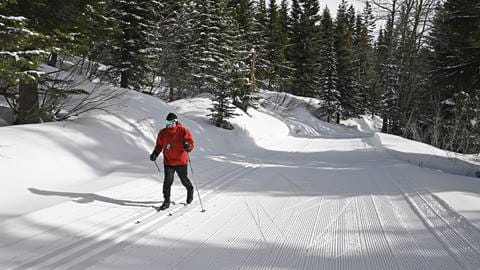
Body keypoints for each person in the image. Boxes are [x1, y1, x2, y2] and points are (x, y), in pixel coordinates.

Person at [150, 112, 195, 210]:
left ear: (176, 122)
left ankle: (190, 189)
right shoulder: (163, 132)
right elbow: (159, 146)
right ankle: (166, 201)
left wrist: (188, 146)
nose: (169, 124)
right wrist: (155, 154)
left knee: (184, 180)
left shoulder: (183, 131)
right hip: (168, 162)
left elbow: (190, 142)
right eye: (168, 122)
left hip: (181, 161)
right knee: (167, 182)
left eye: (172, 122)